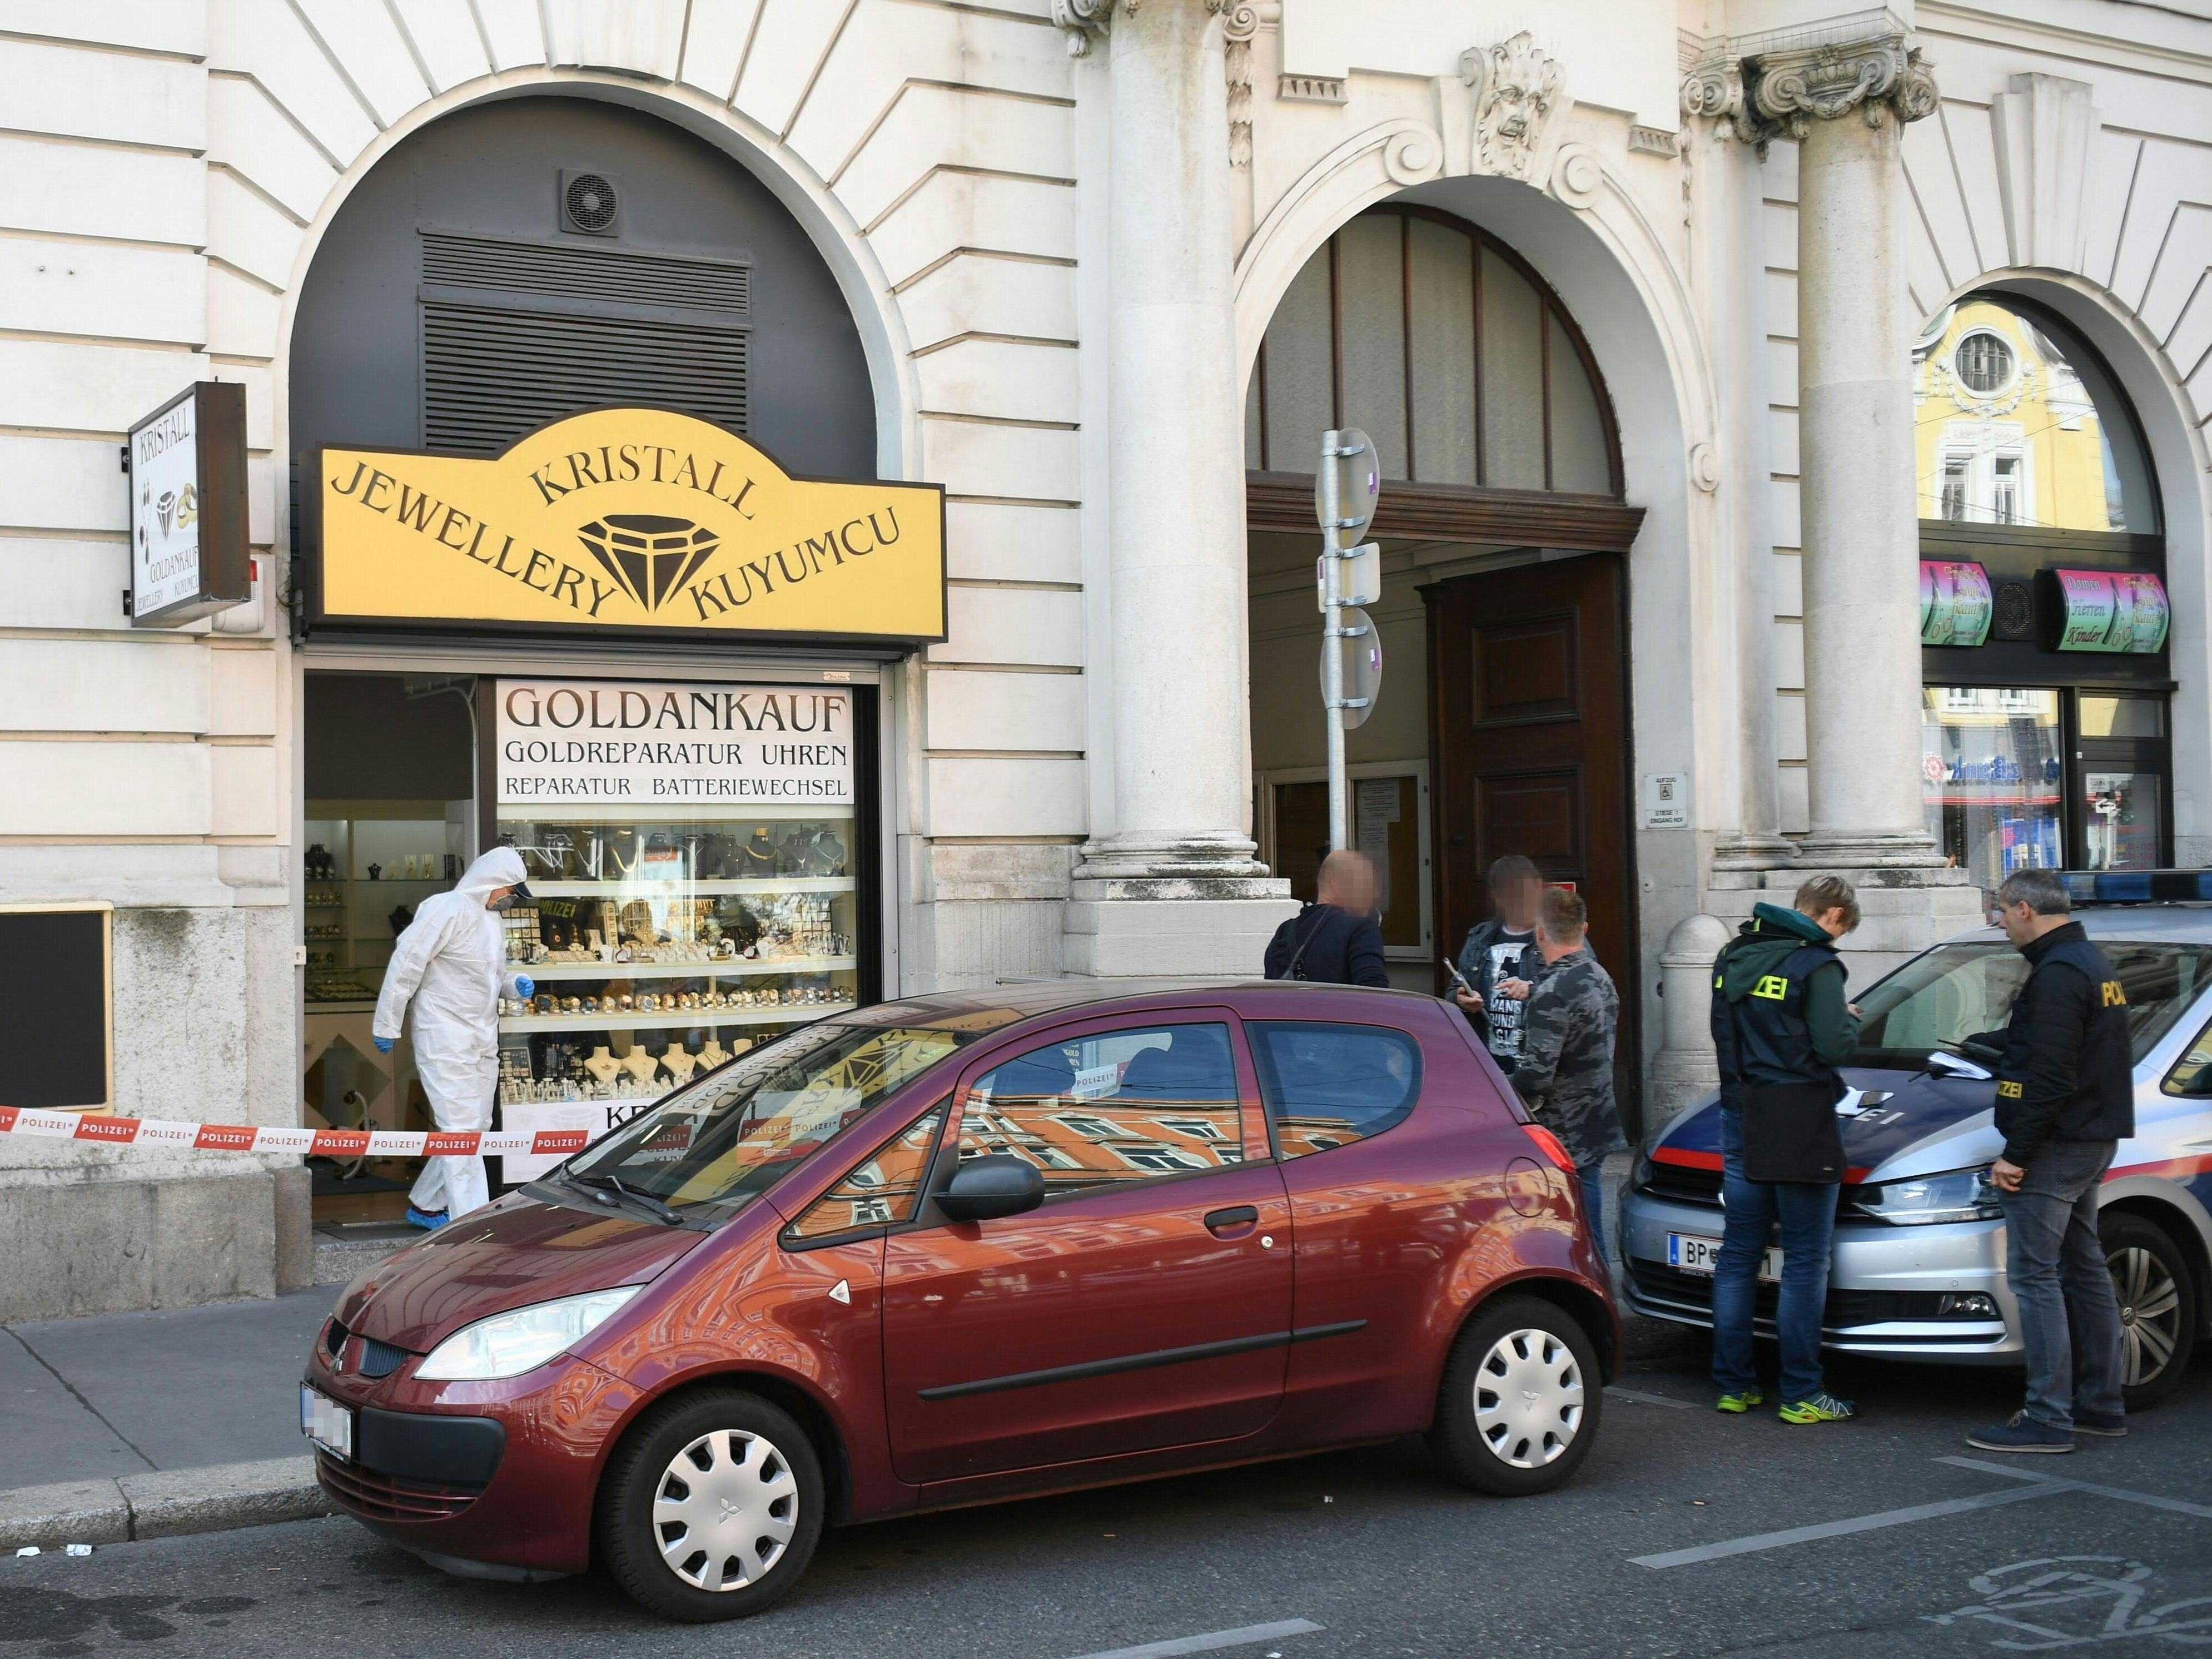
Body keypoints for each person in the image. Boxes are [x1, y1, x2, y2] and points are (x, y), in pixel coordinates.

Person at [1966, 868, 2133, 1453]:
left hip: (2056, 1142)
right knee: (2083, 1265)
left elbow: (2052, 1075)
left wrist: (2016, 1154)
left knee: (2035, 1277)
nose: (2000, 922)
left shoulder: (2059, 972)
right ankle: (2101, 1403)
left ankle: (2048, 1415)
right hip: (2090, 1134)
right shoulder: (2089, 961)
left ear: (2025, 909)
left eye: (2002, 912)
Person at [1707, 874, 1861, 1424]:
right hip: (1798, 1118)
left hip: (1740, 1111)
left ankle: (1733, 1384)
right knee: (1803, 1260)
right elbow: (1833, 1044)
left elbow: (1729, 1030)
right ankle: (1801, 1392)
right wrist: (1845, 1021)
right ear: (1833, 915)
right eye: (1840, 930)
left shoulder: (1733, 954)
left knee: (1738, 1254)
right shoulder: (1815, 963)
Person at [372, 846, 530, 1229]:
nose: (509, 899)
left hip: (480, 1034)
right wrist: (386, 1024)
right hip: (443, 1033)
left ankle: (427, 1204)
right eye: (508, 891)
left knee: (475, 1126)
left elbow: (487, 975)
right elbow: (407, 964)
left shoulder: (491, 921)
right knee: (460, 1131)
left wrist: (513, 986)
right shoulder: (446, 908)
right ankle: (471, 1226)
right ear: (489, 883)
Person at [1509, 887, 1622, 1262]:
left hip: (1562, 1130)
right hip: (1595, 1118)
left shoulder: (1551, 992)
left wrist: (1498, 1092)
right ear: (1583, 928)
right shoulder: (1598, 975)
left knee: (1575, 1236)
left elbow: (1537, 1077)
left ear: (1539, 932)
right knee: (1588, 1228)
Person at [1452, 855, 1544, 1075]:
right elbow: (1452, 993)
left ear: (1539, 888)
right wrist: (1461, 999)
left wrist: (1533, 990)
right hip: (1488, 1065)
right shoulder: (1479, 939)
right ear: (1497, 898)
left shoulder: (1558, 937)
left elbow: (1581, 993)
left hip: (1538, 1067)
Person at [1264, 849, 1389, 986]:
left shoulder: (1284, 931)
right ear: (1335, 883)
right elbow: (1374, 993)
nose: (1374, 893)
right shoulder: (1361, 928)